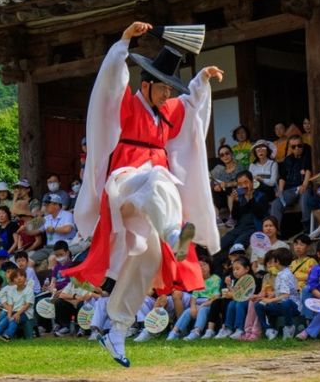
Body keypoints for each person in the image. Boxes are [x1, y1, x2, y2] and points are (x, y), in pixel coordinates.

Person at [61, 21, 222, 367]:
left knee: (148, 261)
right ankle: (174, 234)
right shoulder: (125, 105)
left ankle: (116, 329)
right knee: (159, 179)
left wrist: (202, 80)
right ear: (145, 84)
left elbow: (191, 108)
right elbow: (110, 82)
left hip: (149, 199)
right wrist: (123, 42)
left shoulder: (166, 111)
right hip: (125, 183)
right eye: (163, 89)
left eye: (170, 90)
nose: (168, 95)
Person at [218, 171, 270, 268]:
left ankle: (236, 268)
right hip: (239, 228)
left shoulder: (261, 195)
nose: (243, 186)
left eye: (246, 182)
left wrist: (250, 197)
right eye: (240, 184)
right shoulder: (240, 197)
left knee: (237, 245)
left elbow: (260, 214)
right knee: (221, 244)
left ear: (251, 182)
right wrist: (236, 202)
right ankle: (223, 268)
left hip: (254, 228)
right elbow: (235, 217)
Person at [167, 256, 221, 340]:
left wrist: (204, 304)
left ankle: (196, 331)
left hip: (210, 304)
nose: (202, 267)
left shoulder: (216, 279)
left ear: (210, 266)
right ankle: (175, 332)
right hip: (197, 304)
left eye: (204, 265)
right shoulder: (198, 280)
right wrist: (193, 307)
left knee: (202, 310)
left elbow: (217, 296)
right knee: (187, 312)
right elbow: (194, 297)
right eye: (199, 266)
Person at [254, 248, 300, 340]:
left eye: (273, 260)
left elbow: (286, 295)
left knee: (285, 303)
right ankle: (269, 330)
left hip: (292, 306)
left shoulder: (285, 275)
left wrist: (270, 300)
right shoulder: (280, 274)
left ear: (277, 261)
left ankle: (289, 327)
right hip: (280, 305)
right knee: (259, 305)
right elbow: (281, 291)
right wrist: (272, 295)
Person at [271, 135, 312, 230]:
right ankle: (275, 231)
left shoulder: (307, 154)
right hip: (290, 190)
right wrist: (280, 190)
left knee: (305, 198)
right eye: (293, 146)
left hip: (303, 186)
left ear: (303, 145)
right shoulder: (288, 159)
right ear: (290, 148)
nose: (297, 148)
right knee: (275, 204)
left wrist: (304, 185)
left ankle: (307, 228)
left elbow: (308, 170)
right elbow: (282, 177)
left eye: (299, 145)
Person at [22, 194, 75, 266]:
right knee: (30, 261)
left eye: (47, 204)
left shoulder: (67, 214)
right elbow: (37, 231)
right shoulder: (46, 218)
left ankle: (51, 277)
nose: (45, 207)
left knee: (51, 259)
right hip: (48, 247)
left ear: (56, 205)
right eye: (45, 204)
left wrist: (53, 229)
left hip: (62, 247)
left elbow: (67, 229)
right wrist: (26, 231)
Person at [0, 268, 35, 341]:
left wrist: (17, 314)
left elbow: (27, 305)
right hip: (13, 312)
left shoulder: (28, 290)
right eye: (16, 277)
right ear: (13, 280)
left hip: (25, 313)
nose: (19, 278)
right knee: (3, 322)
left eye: (21, 276)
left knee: (13, 320)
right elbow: (10, 305)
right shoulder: (12, 290)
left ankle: (7, 336)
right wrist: (9, 315)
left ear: (25, 278)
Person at [210, 144, 246, 218]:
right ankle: (216, 217)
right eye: (222, 155)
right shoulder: (220, 170)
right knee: (212, 189)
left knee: (229, 189)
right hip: (225, 197)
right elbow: (210, 178)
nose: (225, 156)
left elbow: (244, 182)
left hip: (240, 192)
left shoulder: (239, 166)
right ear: (220, 158)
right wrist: (216, 186)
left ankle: (231, 217)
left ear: (231, 154)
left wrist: (228, 184)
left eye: (227, 153)